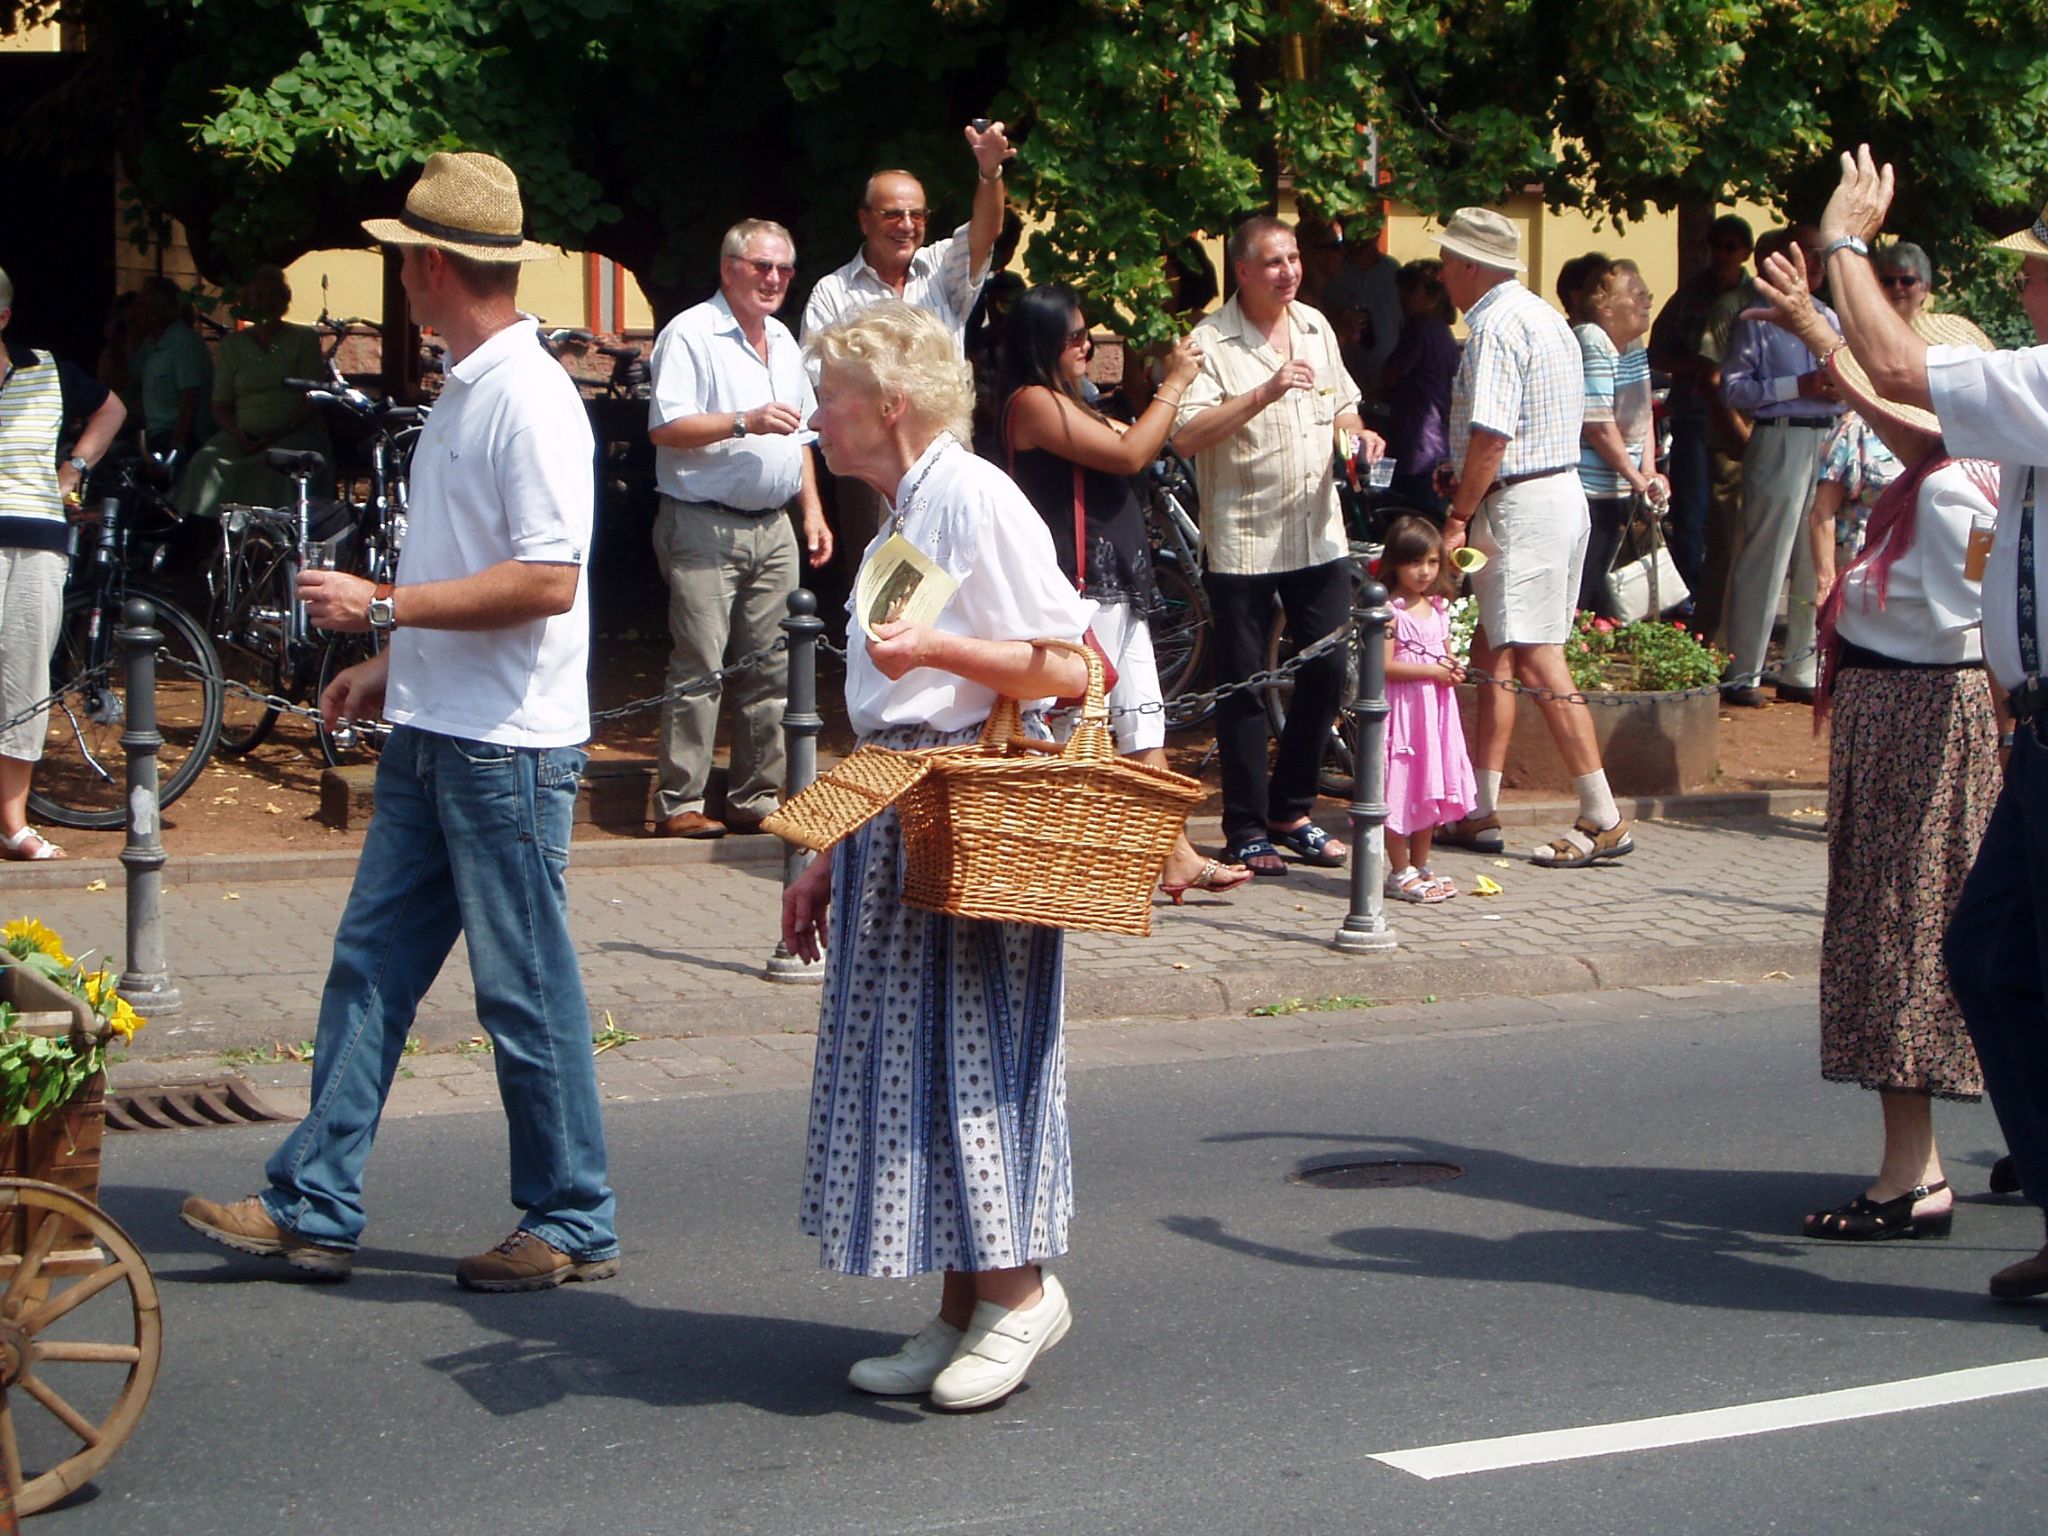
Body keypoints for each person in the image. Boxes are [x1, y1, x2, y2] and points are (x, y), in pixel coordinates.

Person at [180, 152, 619, 1292]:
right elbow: (494, 572)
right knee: (371, 966)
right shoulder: (480, 388)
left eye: (399, 257)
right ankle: (314, 1201)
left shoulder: (526, 398)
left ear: (431, 266)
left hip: (506, 746)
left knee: (522, 987)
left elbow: (545, 581)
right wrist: (394, 659)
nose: (397, 277)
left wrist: (386, 610)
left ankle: (571, 1215)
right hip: (447, 727)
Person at [780, 300, 1095, 1411]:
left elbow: (1066, 665)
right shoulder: (908, 509)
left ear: (887, 404)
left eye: (830, 395)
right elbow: (890, 710)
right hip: (901, 811)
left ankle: (1018, 1294)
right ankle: (964, 1308)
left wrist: (939, 644)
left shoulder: (972, 495)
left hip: (969, 815)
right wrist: (826, 847)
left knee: (970, 1058)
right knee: (920, 1068)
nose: (817, 415)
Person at [1801, 146, 2048, 1296]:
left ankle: (1937, 1177)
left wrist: (1842, 243)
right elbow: (1914, 420)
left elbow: (1903, 375)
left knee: (1963, 951)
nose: (2024, 290)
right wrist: (1818, 329)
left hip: (1964, 718)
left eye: (2038, 271)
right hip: (2022, 729)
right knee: (1986, 959)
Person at [1744, 250, 2001, 1240]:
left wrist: (1825, 337)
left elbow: (1963, 592)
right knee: (1920, 934)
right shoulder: (1952, 470)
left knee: (1902, 938)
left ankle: (1912, 1175)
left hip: (1920, 712)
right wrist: (1825, 337)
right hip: (1903, 708)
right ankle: (1943, 1158)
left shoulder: (1954, 482)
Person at [996, 283, 1251, 901]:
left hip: (1117, 583)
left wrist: (1167, 389)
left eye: (1089, 334)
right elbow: (1131, 451)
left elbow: (1144, 435)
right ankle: (1053, 860)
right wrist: (1175, 383)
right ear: (1044, 342)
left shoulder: (1070, 400)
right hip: (1079, 586)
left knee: (1143, 726)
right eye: (1075, 337)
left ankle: (1176, 856)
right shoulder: (1030, 403)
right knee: (1069, 729)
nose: (1088, 346)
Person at [1173, 215, 1384, 876]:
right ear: (1242, 270)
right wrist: (1264, 391)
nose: (1288, 271)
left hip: (1316, 531)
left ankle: (1291, 810)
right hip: (1244, 542)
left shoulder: (1316, 325)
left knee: (1325, 672)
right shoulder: (1210, 340)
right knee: (1242, 687)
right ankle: (1244, 827)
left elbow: (1342, 404)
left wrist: (1359, 435)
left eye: (1293, 258)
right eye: (1273, 262)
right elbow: (1185, 434)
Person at [1431, 208, 1631, 869]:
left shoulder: (1492, 326)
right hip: (1552, 491)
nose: (1440, 272)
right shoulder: (1545, 317)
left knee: (1538, 655)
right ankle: (1479, 809)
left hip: (1520, 501)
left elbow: (1493, 434)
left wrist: (1458, 513)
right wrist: (1466, 482)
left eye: (1446, 260)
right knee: (1497, 652)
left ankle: (1602, 814)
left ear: (1470, 266)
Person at [645, 218, 834, 839]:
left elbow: (803, 435)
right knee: (699, 664)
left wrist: (811, 510)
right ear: (729, 268)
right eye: (762, 267)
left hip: (774, 526)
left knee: (772, 667)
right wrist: (741, 422)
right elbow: (666, 428)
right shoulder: (691, 335)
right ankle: (680, 804)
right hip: (703, 523)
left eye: (784, 269)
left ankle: (756, 797)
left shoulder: (782, 338)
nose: (774, 279)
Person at [802, 123, 1014, 591]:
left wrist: (989, 173)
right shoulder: (832, 293)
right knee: (884, 592)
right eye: (893, 214)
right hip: (871, 468)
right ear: (864, 220)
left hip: (945, 457)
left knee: (955, 582)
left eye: (917, 215)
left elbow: (985, 232)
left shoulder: (941, 271)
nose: (907, 225)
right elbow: (824, 389)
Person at [0, 266, 127, 862]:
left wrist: (74, 470)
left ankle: (12, 823)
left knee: (23, 676)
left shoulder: (46, 369)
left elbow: (111, 410)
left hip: (36, 538)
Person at [1719, 223, 1842, 706]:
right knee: (1765, 554)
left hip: (1827, 439)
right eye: (1804, 255)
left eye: (1818, 256)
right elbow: (1734, 388)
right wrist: (1798, 387)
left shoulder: (1831, 316)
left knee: (1817, 558)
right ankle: (1743, 670)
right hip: (1782, 434)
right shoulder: (1758, 319)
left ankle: (1801, 668)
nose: (1813, 265)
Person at [173, 264, 331, 523]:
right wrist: (239, 433)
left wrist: (279, 431)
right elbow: (220, 406)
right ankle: (205, 536)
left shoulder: (304, 339)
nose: (266, 302)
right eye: (259, 296)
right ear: (247, 301)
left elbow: (313, 397)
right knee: (205, 461)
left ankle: (275, 537)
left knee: (274, 467)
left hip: (295, 431)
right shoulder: (233, 345)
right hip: (242, 436)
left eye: (273, 295)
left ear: (284, 300)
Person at [1649, 215, 1754, 601]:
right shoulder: (1689, 295)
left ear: (1746, 252)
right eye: (1717, 246)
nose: (1723, 254)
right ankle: (1689, 595)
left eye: (1731, 247)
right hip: (1695, 414)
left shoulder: (1754, 297)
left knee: (1737, 511)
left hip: (1743, 417)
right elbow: (1657, 352)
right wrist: (1699, 366)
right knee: (1691, 509)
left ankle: (1731, 595)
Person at [1378, 516, 1475, 903]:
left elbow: (1447, 655)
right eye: (1415, 562)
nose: (1424, 572)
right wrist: (1432, 670)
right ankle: (1398, 869)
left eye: (1433, 562)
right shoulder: (1389, 611)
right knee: (1401, 786)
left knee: (1431, 784)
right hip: (1404, 713)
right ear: (1395, 563)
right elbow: (1384, 666)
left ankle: (1421, 864)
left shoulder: (1437, 607)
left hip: (1435, 713)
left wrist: (1453, 670)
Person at [1575, 260, 1667, 616]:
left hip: (1620, 484)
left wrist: (1650, 473)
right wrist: (1637, 478)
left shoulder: (1633, 344)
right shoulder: (1593, 339)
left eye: (1648, 295)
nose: (1646, 303)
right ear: (1606, 306)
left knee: (1603, 586)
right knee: (1584, 586)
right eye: (1637, 295)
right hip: (1590, 489)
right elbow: (1597, 424)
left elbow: (1642, 413)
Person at [1379, 259, 1460, 517]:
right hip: (1438, 444)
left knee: (1411, 518)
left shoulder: (1420, 329)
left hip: (1417, 444)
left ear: (1433, 295)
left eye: (1411, 289)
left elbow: (1390, 375)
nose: (1403, 297)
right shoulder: (1443, 331)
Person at [128, 273, 213, 458]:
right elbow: (128, 380)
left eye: (141, 304)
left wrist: (174, 451)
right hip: (153, 433)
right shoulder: (151, 343)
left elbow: (190, 399)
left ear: (158, 308)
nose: (135, 310)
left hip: (180, 438)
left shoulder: (183, 342)